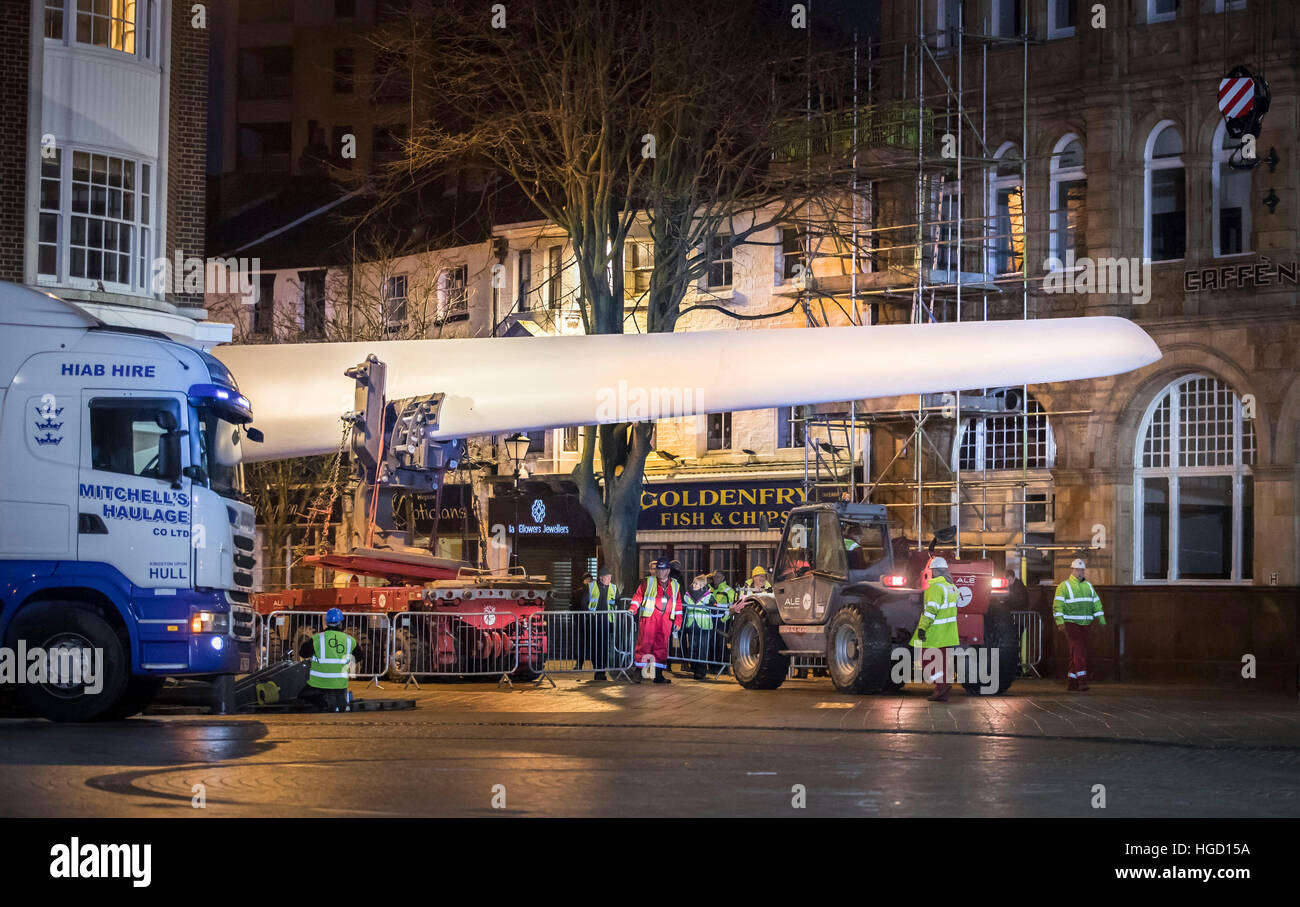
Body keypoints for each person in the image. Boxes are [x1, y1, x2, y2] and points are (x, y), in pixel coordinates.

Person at [908, 556, 959, 702]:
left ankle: (942, 685)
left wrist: (922, 628)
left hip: (934, 632)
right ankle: (942, 688)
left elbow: (931, 610)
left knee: (924, 660)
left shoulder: (935, 588)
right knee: (942, 662)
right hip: (949, 633)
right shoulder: (952, 587)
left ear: (935, 571)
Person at [628, 559, 683, 684]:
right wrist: (633, 609)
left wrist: (678, 621)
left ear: (668, 571)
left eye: (662, 569)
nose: (659, 571)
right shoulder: (648, 582)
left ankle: (658, 675)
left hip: (666, 619)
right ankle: (639, 673)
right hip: (649, 617)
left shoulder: (675, 584)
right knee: (644, 645)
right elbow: (638, 596)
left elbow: (678, 604)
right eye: (658, 569)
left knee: (661, 646)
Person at [1053, 558, 1105, 691]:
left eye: (1082, 570)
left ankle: (1072, 681)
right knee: (1079, 652)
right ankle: (1082, 681)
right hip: (1071, 624)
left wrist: (1101, 617)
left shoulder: (1088, 586)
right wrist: (1060, 622)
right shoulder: (1064, 586)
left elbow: (1096, 602)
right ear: (1072, 570)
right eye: (1077, 570)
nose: (1080, 572)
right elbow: (1058, 605)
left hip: (1086, 624)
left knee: (1075, 652)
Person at [297, 608, 359, 712]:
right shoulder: (349, 640)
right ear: (341, 624)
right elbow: (359, 656)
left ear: (326, 623)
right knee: (339, 703)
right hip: (340, 684)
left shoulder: (317, 638)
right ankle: (343, 704)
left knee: (301, 696)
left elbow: (302, 653)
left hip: (319, 684)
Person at [578, 566, 618, 680]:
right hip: (595, 622)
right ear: (601, 578)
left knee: (605, 647)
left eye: (610, 577)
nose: (610, 579)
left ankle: (602, 671)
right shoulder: (592, 586)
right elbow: (583, 602)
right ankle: (597, 670)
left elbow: (618, 602)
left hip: (607, 622)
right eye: (608, 577)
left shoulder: (613, 588)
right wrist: (589, 615)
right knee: (595, 647)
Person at [683, 574, 719, 680]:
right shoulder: (687, 595)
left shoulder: (709, 596)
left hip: (704, 627)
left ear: (703, 585)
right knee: (693, 649)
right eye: (693, 582)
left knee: (703, 650)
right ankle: (694, 669)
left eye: (696, 583)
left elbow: (714, 609)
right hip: (691, 625)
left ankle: (701, 671)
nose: (693, 585)